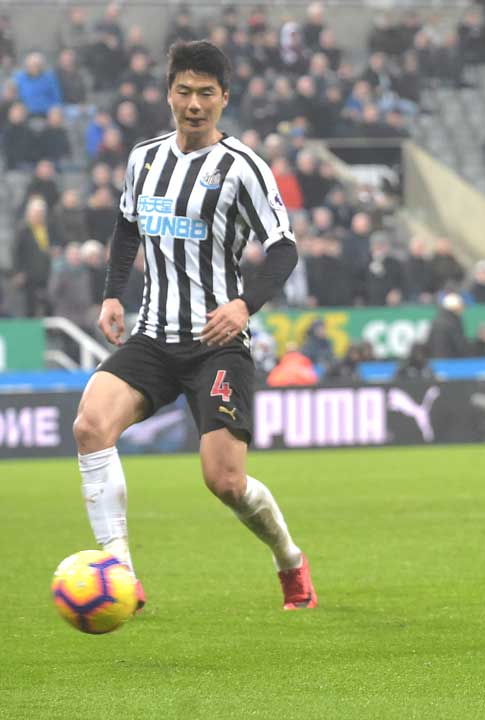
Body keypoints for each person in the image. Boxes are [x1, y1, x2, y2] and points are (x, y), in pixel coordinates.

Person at [76, 41, 316, 613]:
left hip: (218, 345)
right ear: (168, 94)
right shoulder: (145, 159)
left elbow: (283, 250)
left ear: (224, 98)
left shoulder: (243, 168)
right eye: (184, 91)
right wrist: (114, 294)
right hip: (154, 336)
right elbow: (127, 228)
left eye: (206, 93)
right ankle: (120, 577)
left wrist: (243, 306)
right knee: (90, 426)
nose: (194, 103)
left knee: (226, 483)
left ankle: (289, 560)